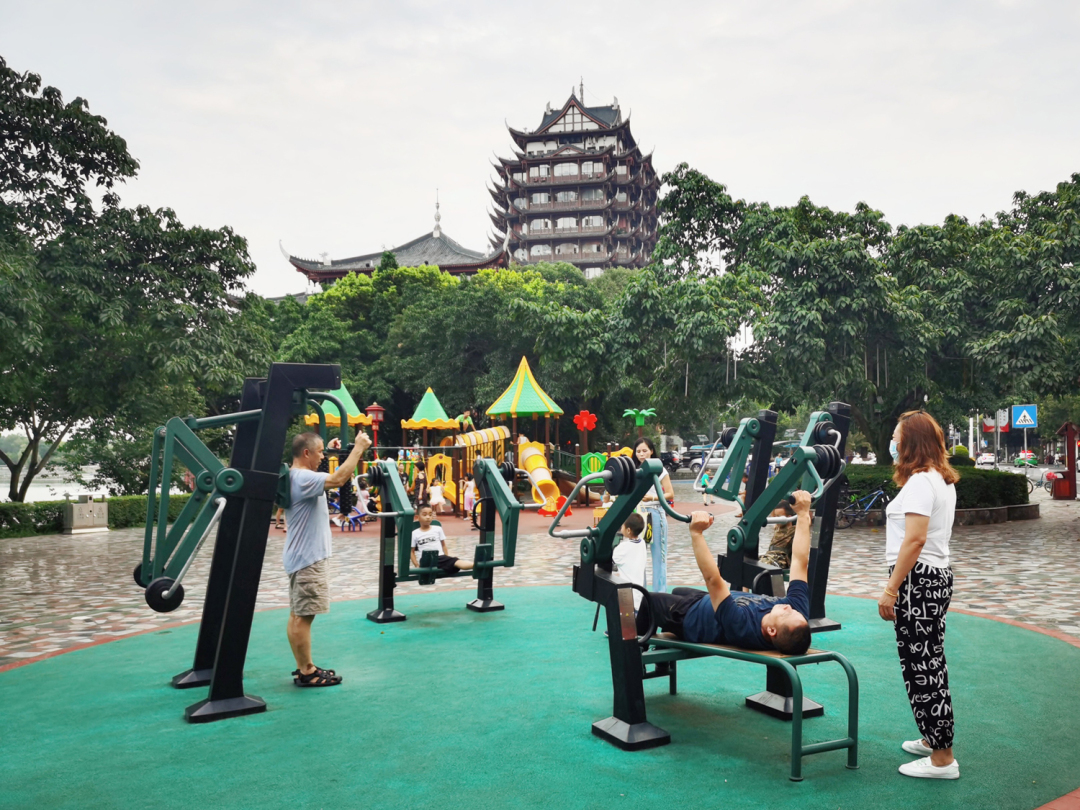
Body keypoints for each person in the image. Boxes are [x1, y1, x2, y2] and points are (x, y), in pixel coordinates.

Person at [880, 410, 960, 780]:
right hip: (935, 578)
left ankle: (942, 758)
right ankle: (933, 740)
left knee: (923, 667)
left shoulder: (920, 484)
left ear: (910, 442)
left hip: (918, 582)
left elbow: (915, 539)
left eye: (897, 436)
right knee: (928, 661)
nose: (893, 443)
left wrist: (891, 588)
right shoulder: (939, 480)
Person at [634, 491, 814, 655]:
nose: (788, 607)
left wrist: (697, 533)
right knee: (677, 591)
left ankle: (636, 654)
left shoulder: (743, 627)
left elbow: (713, 580)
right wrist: (803, 513)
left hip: (691, 618)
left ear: (771, 631)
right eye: (793, 610)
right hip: (705, 603)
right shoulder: (797, 617)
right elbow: (800, 562)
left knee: (650, 602)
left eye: (786, 613)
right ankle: (662, 653)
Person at [284, 430, 371, 687]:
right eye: (320, 452)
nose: (323, 456)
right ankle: (307, 671)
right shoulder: (303, 477)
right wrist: (358, 449)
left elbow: (328, 471)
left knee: (298, 614)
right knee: (303, 616)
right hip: (308, 558)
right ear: (306, 453)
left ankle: (304, 666)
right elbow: (338, 479)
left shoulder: (295, 475)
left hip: (301, 556)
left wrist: (334, 451)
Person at [634, 438, 675, 593]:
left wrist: (653, 497)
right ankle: (640, 594)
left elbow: (670, 494)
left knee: (659, 557)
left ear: (651, 451)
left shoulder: (659, 469)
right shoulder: (635, 470)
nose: (642, 454)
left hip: (655, 514)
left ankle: (660, 595)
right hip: (639, 515)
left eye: (645, 450)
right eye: (638, 451)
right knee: (639, 557)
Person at [411, 504, 474, 573]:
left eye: (430, 514)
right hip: (426, 560)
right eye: (424, 515)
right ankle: (475, 565)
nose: (428, 517)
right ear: (418, 517)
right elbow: (411, 551)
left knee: (453, 562)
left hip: (440, 557)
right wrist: (417, 565)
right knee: (455, 561)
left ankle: (474, 565)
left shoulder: (438, 529)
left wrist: (446, 557)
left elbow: (443, 545)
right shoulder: (415, 533)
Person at [612, 513, 647, 610]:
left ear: (628, 530)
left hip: (627, 594)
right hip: (639, 593)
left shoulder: (623, 548)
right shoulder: (642, 543)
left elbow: (611, 563)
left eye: (622, 525)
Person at [759, 502, 795, 568]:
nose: (776, 519)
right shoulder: (777, 527)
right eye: (775, 516)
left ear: (789, 517)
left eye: (779, 516)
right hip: (768, 557)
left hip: (778, 560)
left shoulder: (794, 530)